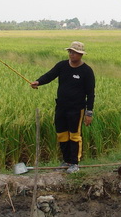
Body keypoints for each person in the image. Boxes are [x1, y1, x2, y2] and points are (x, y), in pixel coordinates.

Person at [31, 41, 95, 174]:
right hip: (61, 107)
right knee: (61, 134)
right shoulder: (62, 65)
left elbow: (90, 93)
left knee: (75, 135)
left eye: (74, 52)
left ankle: (74, 163)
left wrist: (89, 113)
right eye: (70, 52)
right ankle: (66, 161)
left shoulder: (86, 71)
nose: (71, 54)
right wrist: (38, 81)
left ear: (81, 54)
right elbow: (49, 75)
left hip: (76, 109)